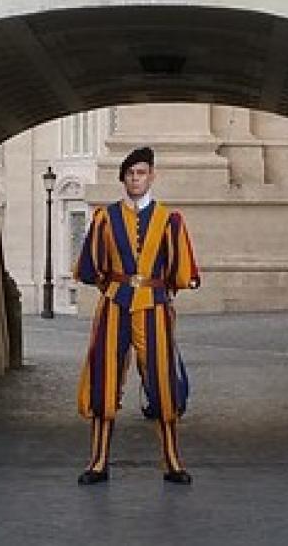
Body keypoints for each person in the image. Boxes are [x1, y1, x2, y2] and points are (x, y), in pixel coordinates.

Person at [73, 146, 200, 485]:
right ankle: (98, 462)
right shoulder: (106, 217)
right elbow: (92, 266)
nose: (135, 178)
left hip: (154, 307)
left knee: (161, 381)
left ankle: (172, 461)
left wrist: (160, 291)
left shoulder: (169, 220)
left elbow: (178, 271)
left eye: (141, 173)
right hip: (115, 304)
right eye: (130, 174)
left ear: (151, 176)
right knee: (104, 379)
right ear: (124, 179)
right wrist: (114, 286)